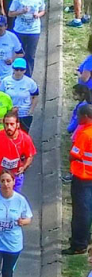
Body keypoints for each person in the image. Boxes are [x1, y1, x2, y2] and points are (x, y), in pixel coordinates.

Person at [0, 171, 33, 277]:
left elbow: (28, 218)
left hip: (12, 244)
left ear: (13, 182)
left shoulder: (20, 200)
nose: (5, 184)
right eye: (2, 181)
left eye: (8, 181)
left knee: (7, 273)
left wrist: (22, 222)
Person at [0, 111, 36, 192]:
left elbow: (30, 155)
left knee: (14, 198)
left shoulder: (25, 138)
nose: (9, 127)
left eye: (12, 124)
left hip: (15, 176)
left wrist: (24, 167)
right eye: (6, 124)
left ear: (17, 125)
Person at [68, 103, 92, 255]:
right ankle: (86, 238)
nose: (77, 118)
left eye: (79, 116)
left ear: (85, 116)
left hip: (83, 178)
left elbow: (74, 154)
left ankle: (79, 244)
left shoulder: (85, 134)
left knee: (81, 212)